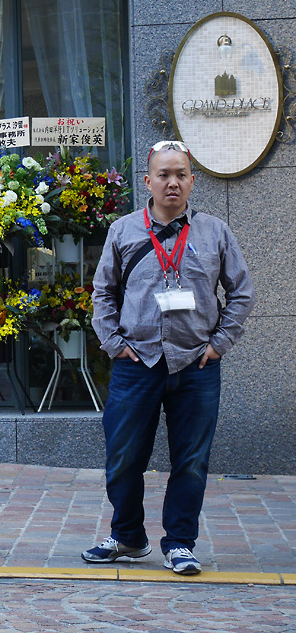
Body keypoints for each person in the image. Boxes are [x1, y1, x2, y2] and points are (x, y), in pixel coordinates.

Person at [82, 140, 254, 575]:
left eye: (181, 175)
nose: (172, 182)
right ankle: (128, 536)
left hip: (197, 364)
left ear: (192, 181)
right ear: (148, 181)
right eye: (164, 175)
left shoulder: (215, 232)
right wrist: (114, 344)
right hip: (136, 363)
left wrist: (219, 344)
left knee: (191, 462)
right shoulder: (123, 230)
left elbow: (241, 292)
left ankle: (179, 543)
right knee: (123, 458)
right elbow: (102, 293)